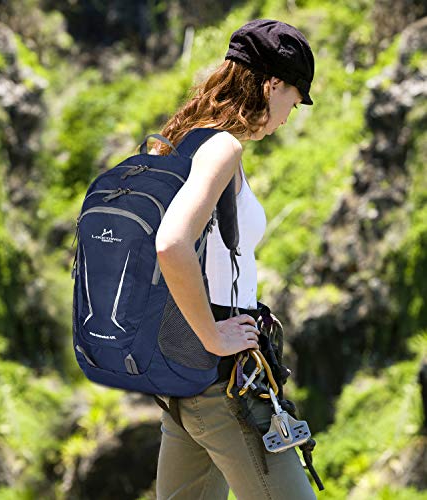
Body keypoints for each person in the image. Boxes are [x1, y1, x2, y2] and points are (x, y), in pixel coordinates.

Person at [153, 19, 317, 500]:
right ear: (272, 84)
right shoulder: (222, 147)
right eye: (294, 100)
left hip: (181, 375)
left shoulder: (182, 139)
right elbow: (171, 244)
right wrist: (213, 335)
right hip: (221, 383)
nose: (288, 116)